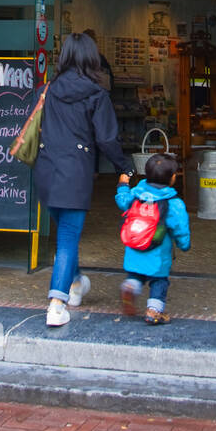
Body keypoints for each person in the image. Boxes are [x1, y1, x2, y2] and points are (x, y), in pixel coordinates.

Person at [33, 32, 134, 327]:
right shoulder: (96, 94)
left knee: (66, 233)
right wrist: (124, 166)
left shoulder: (47, 90)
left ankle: (75, 283)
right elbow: (107, 138)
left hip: (45, 172)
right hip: (74, 174)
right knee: (66, 239)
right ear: (92, 59)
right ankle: (56, 303)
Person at [115, 153, 190, 325]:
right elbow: (180, 228)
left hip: (134, 247)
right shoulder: (173, 203)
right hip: (158, 252)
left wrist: (123, 185)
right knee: (159, 281)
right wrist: (184, 245)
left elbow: (122, 201)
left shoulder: (136, 193)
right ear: (172, 178)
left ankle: (130, 287)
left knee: (136, 274)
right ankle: (154, 311)